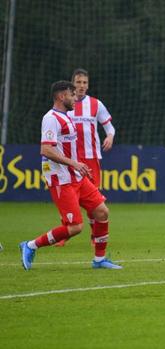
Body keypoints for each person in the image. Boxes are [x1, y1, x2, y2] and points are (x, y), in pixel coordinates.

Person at [19, 81, 122, 270]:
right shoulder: (51, 118)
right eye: (71, 95)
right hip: (61, 180)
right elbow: (46, 149)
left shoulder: (66, 117)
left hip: (76, 177)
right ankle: (30, 245)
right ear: (61, 96)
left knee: (102, 212)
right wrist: (74, 163)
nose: (75, 98)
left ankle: (99, 260)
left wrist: (79, 166)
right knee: (75, 227)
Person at [55, 68, 116, 246]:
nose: (81, 86)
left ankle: (95, 235)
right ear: (72, 84)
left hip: (91, 158)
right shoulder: (66, 105)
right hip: (70, 160)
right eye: (78, 82)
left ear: (88, 85)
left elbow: (109, 127)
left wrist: (110, 137)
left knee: (93, 200)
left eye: (84, 83)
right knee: (69, 197)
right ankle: (65, 232)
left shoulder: (96, 104)